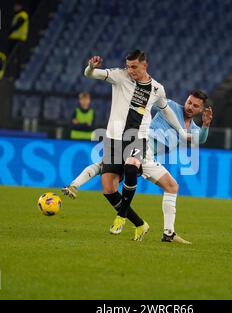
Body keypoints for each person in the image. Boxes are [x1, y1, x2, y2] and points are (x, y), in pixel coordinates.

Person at [62, 90, 213, 243]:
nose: (189, 107)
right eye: (189, 102)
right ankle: (77, 187)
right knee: (107, 167)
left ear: (201, 109)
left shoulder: (193, 127)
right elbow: (148, 104)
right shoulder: (171, 106)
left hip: (146, 156)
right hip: (139, 145)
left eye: (195, 106)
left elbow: (199, 139)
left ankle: (167, 233)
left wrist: (206, 125)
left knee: (170, 186)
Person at [80, 50, 189, 241]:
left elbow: (166, 111)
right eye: (128, 66)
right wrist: (91, 66)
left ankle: (122, 216)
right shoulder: (119, 76)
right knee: (108, 188)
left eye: (134, 67)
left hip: (138, 137)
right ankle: (138, 223)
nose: (130, 70)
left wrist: (181, 131)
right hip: (115, 139)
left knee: (131, 166)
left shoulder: (156, 88)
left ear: (145, 65)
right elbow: (90, 74)